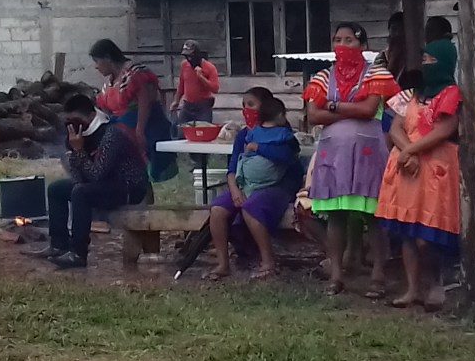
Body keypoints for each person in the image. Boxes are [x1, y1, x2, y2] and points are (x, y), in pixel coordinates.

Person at [303, 22, 401, 296]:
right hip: (333, 157)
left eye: (349, 40)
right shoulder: (322, 76)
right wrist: (351, 109)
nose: (342, 45)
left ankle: (378, 277)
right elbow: (314, 115)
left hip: (368, 156)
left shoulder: (377, 74)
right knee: (335, 216)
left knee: (374, 216)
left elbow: (369, 109)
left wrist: (332, 106)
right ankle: (336, 275)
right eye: (338, 40)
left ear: (363, 46)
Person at [377, 40, 462, 310]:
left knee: (429, 236)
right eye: (423, 59)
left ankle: (435, 286)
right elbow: (395, 128)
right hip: (407, 170)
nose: (425, 65)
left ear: (445, 63)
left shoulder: (451, 94)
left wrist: (410, 150)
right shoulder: (412, 94)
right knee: (407, 234)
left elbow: (444, 130)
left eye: (431, 60)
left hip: (434, 170)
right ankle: (412, 289)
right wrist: (407, 153)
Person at [28, 95, 150, 269]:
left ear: (91, 116)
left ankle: (79, 253)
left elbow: (95, 175)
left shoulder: (111, 134)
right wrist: (75, 152)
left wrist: (78, 151)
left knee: (81, 193)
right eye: (68, 121)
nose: (72, 126)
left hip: (128, 187)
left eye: (75, 120)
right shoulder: (77, 136)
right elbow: (79, 179)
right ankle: (58, 245)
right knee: (57, 189)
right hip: (104, 184)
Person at [206, 88, 304, 281]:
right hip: (244, 184)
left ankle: (268, 262)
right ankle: (223, 264)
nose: (246, 110)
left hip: (276, 186)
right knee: (217, 210)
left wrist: (261, 149)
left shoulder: (282, 135)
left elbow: (289, 161)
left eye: (251, 105)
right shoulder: (244, 135)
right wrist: (234, 190)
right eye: (243, 106)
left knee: (250, 208)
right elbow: (233, 166)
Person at [90, 38, 177, 182]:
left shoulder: (136, 73)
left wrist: (139, 130)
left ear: (107, 58)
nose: (96, 67)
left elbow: (145, 101)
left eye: (97, 61)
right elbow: (108, 108)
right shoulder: (110, 82)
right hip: (121, 131)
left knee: (141, 172)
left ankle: (143, 198)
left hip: (146, 126)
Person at [170, 39, 220, 125]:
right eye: (186, 56)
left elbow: (215, 89)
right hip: (187, 105)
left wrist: (201, 77)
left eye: (191, 56)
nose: (189, 59)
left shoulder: (209, 67)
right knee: (181, 131)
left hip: (203, 106)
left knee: (202, 132)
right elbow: (181, 84)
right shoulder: (184, 65)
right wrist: (176, 101)